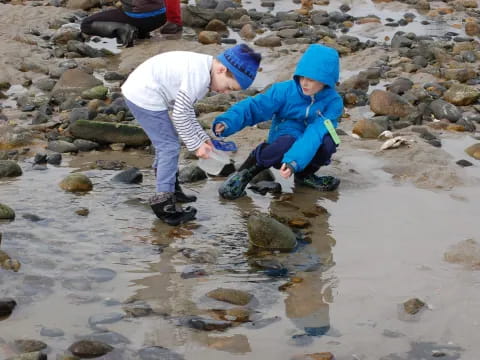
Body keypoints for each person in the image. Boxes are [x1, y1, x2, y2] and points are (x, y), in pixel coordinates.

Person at [121, 44, 261, 225]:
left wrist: (202, 138)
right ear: (221, 69)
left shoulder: (204, 70)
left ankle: (171, 187)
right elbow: (179, 115)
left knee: (167, 144)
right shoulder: (199, 77)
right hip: (143, 94)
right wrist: (195, 146)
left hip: (145, 89)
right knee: (169, 146)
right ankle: (163, 203)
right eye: (228, 87)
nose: (225, 92)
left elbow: (186, 112)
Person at [212, 44, 343, 200]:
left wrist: (294, 162)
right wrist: (228, 121)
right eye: (302, 76)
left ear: (325, 81)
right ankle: (245, 173)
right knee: (287, 142)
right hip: (286, 132)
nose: (304, 83)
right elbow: (255, 107)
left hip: (312, 137)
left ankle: (305, 175)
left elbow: (314, 134)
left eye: (311, 80)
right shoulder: (284, 91)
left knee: (329, 141)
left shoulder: (333, 102)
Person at [80, 0, 167, 47]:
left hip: (139, 18)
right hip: (161, 17)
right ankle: (142, 33)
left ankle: (124, 30)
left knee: (86, 24)